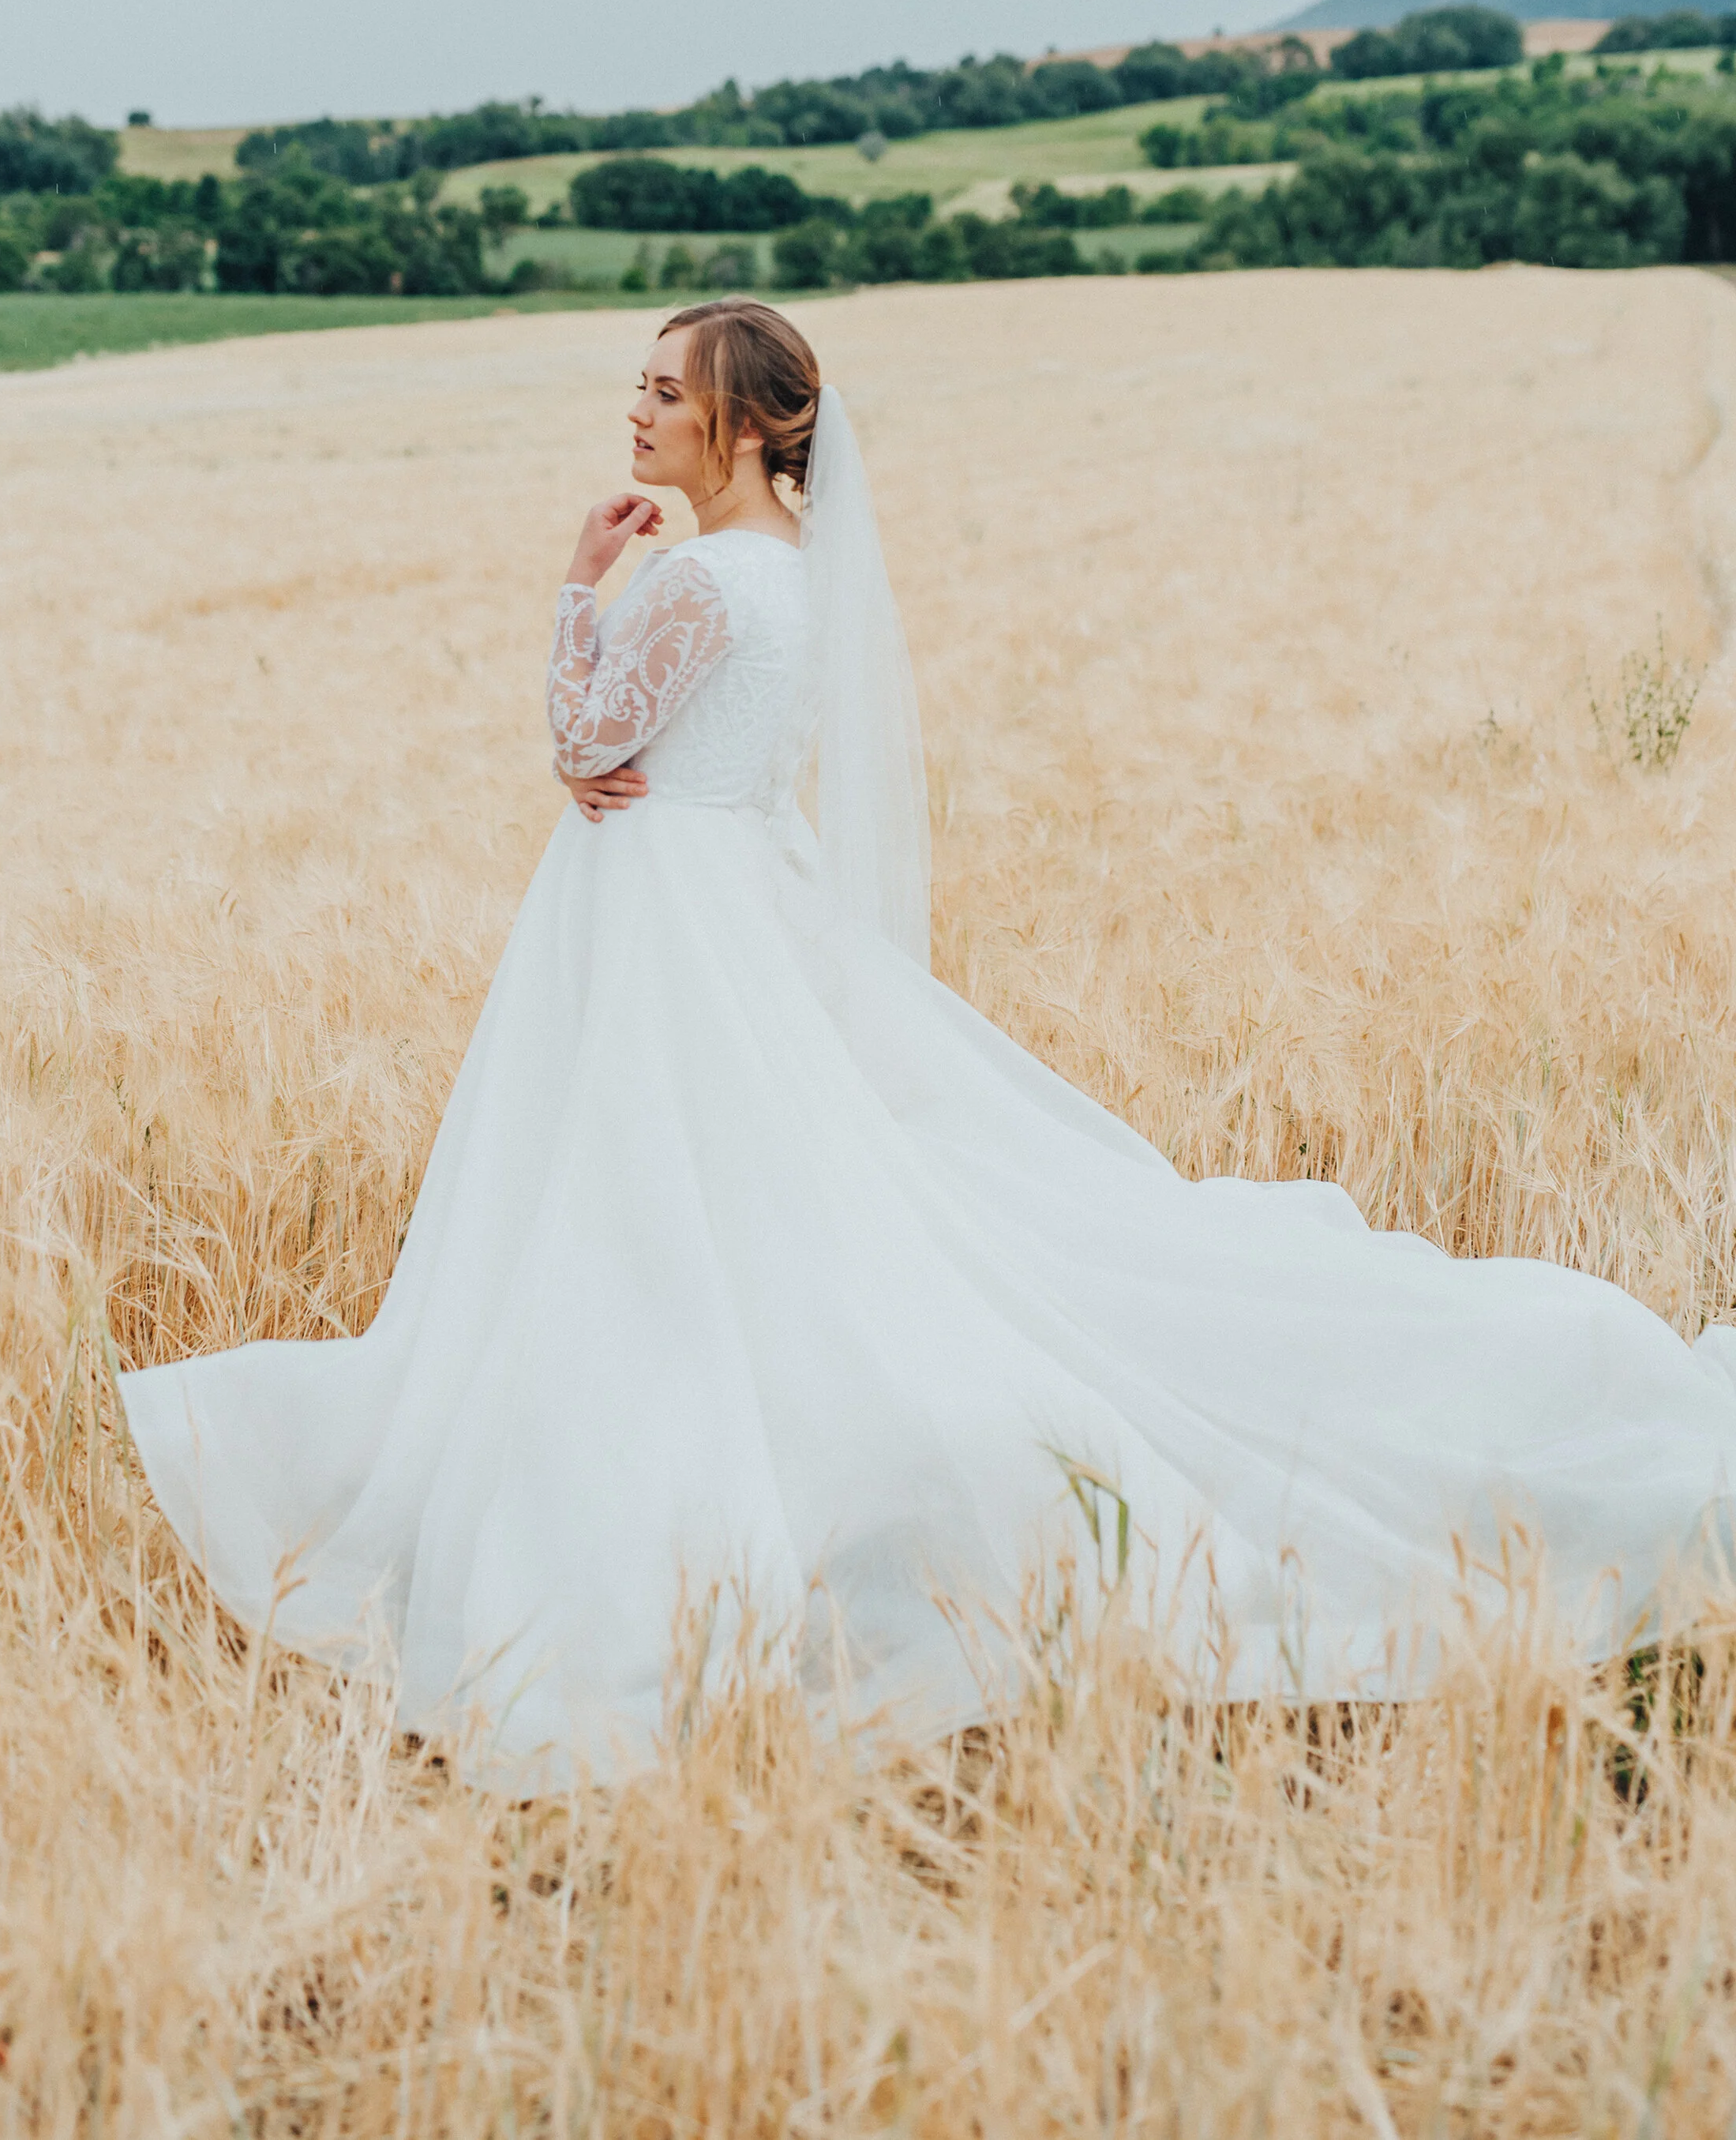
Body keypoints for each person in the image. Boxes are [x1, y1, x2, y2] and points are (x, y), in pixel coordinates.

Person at [121, 298, 1736, 1781]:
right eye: (640, 385)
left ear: (744, 430)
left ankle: (665, 1512)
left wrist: (573, 581)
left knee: (648, 1214)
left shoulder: (697, 578)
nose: (637, 411)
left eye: (664, 392)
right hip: (724, 890)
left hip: (669, 913)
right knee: (717, 1216)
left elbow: (581, 743)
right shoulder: (785, 579)